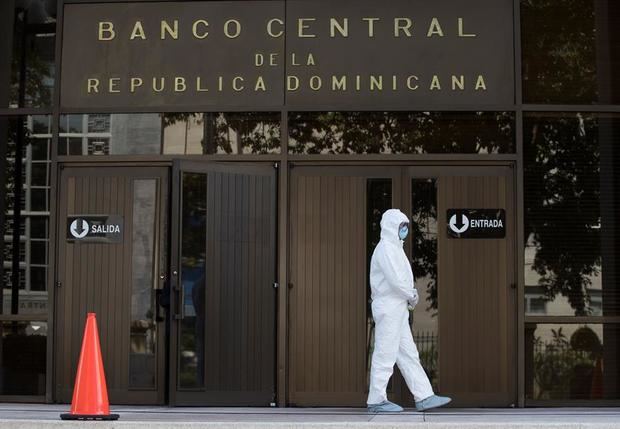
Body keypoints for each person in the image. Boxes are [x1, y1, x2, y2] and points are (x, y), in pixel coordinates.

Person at [367, 209, 451, 413]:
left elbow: (400, 280)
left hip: (397, 307)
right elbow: (395, 280)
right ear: (391, 226)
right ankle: (376, 399)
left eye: (406, 226)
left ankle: (424, 396)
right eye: (401, 226)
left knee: (408, 354)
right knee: (385, 353)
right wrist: (411, 294)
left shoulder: (395, 248)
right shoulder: (385, 248)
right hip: (389, 306)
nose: (404, 229)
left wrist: (409, 296)